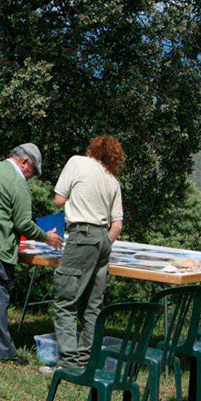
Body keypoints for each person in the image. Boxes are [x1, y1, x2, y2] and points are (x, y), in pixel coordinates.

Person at [0, 144, 63, 365]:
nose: (31, 177)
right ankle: (3, 352)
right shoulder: (17, 182)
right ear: (25, 162)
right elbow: (23, 222)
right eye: (32, 171)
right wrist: (46, 237)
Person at [52, 135, 124, 369]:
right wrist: (102, 242)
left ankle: (69, 363)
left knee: (66, 301)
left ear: (92, 150)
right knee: (92, 306)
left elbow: (58, 200)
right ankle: (87, 359)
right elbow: (118, 225)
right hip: (103, 240)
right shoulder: (113, 180)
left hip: (82, 235)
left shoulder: (77, 162)